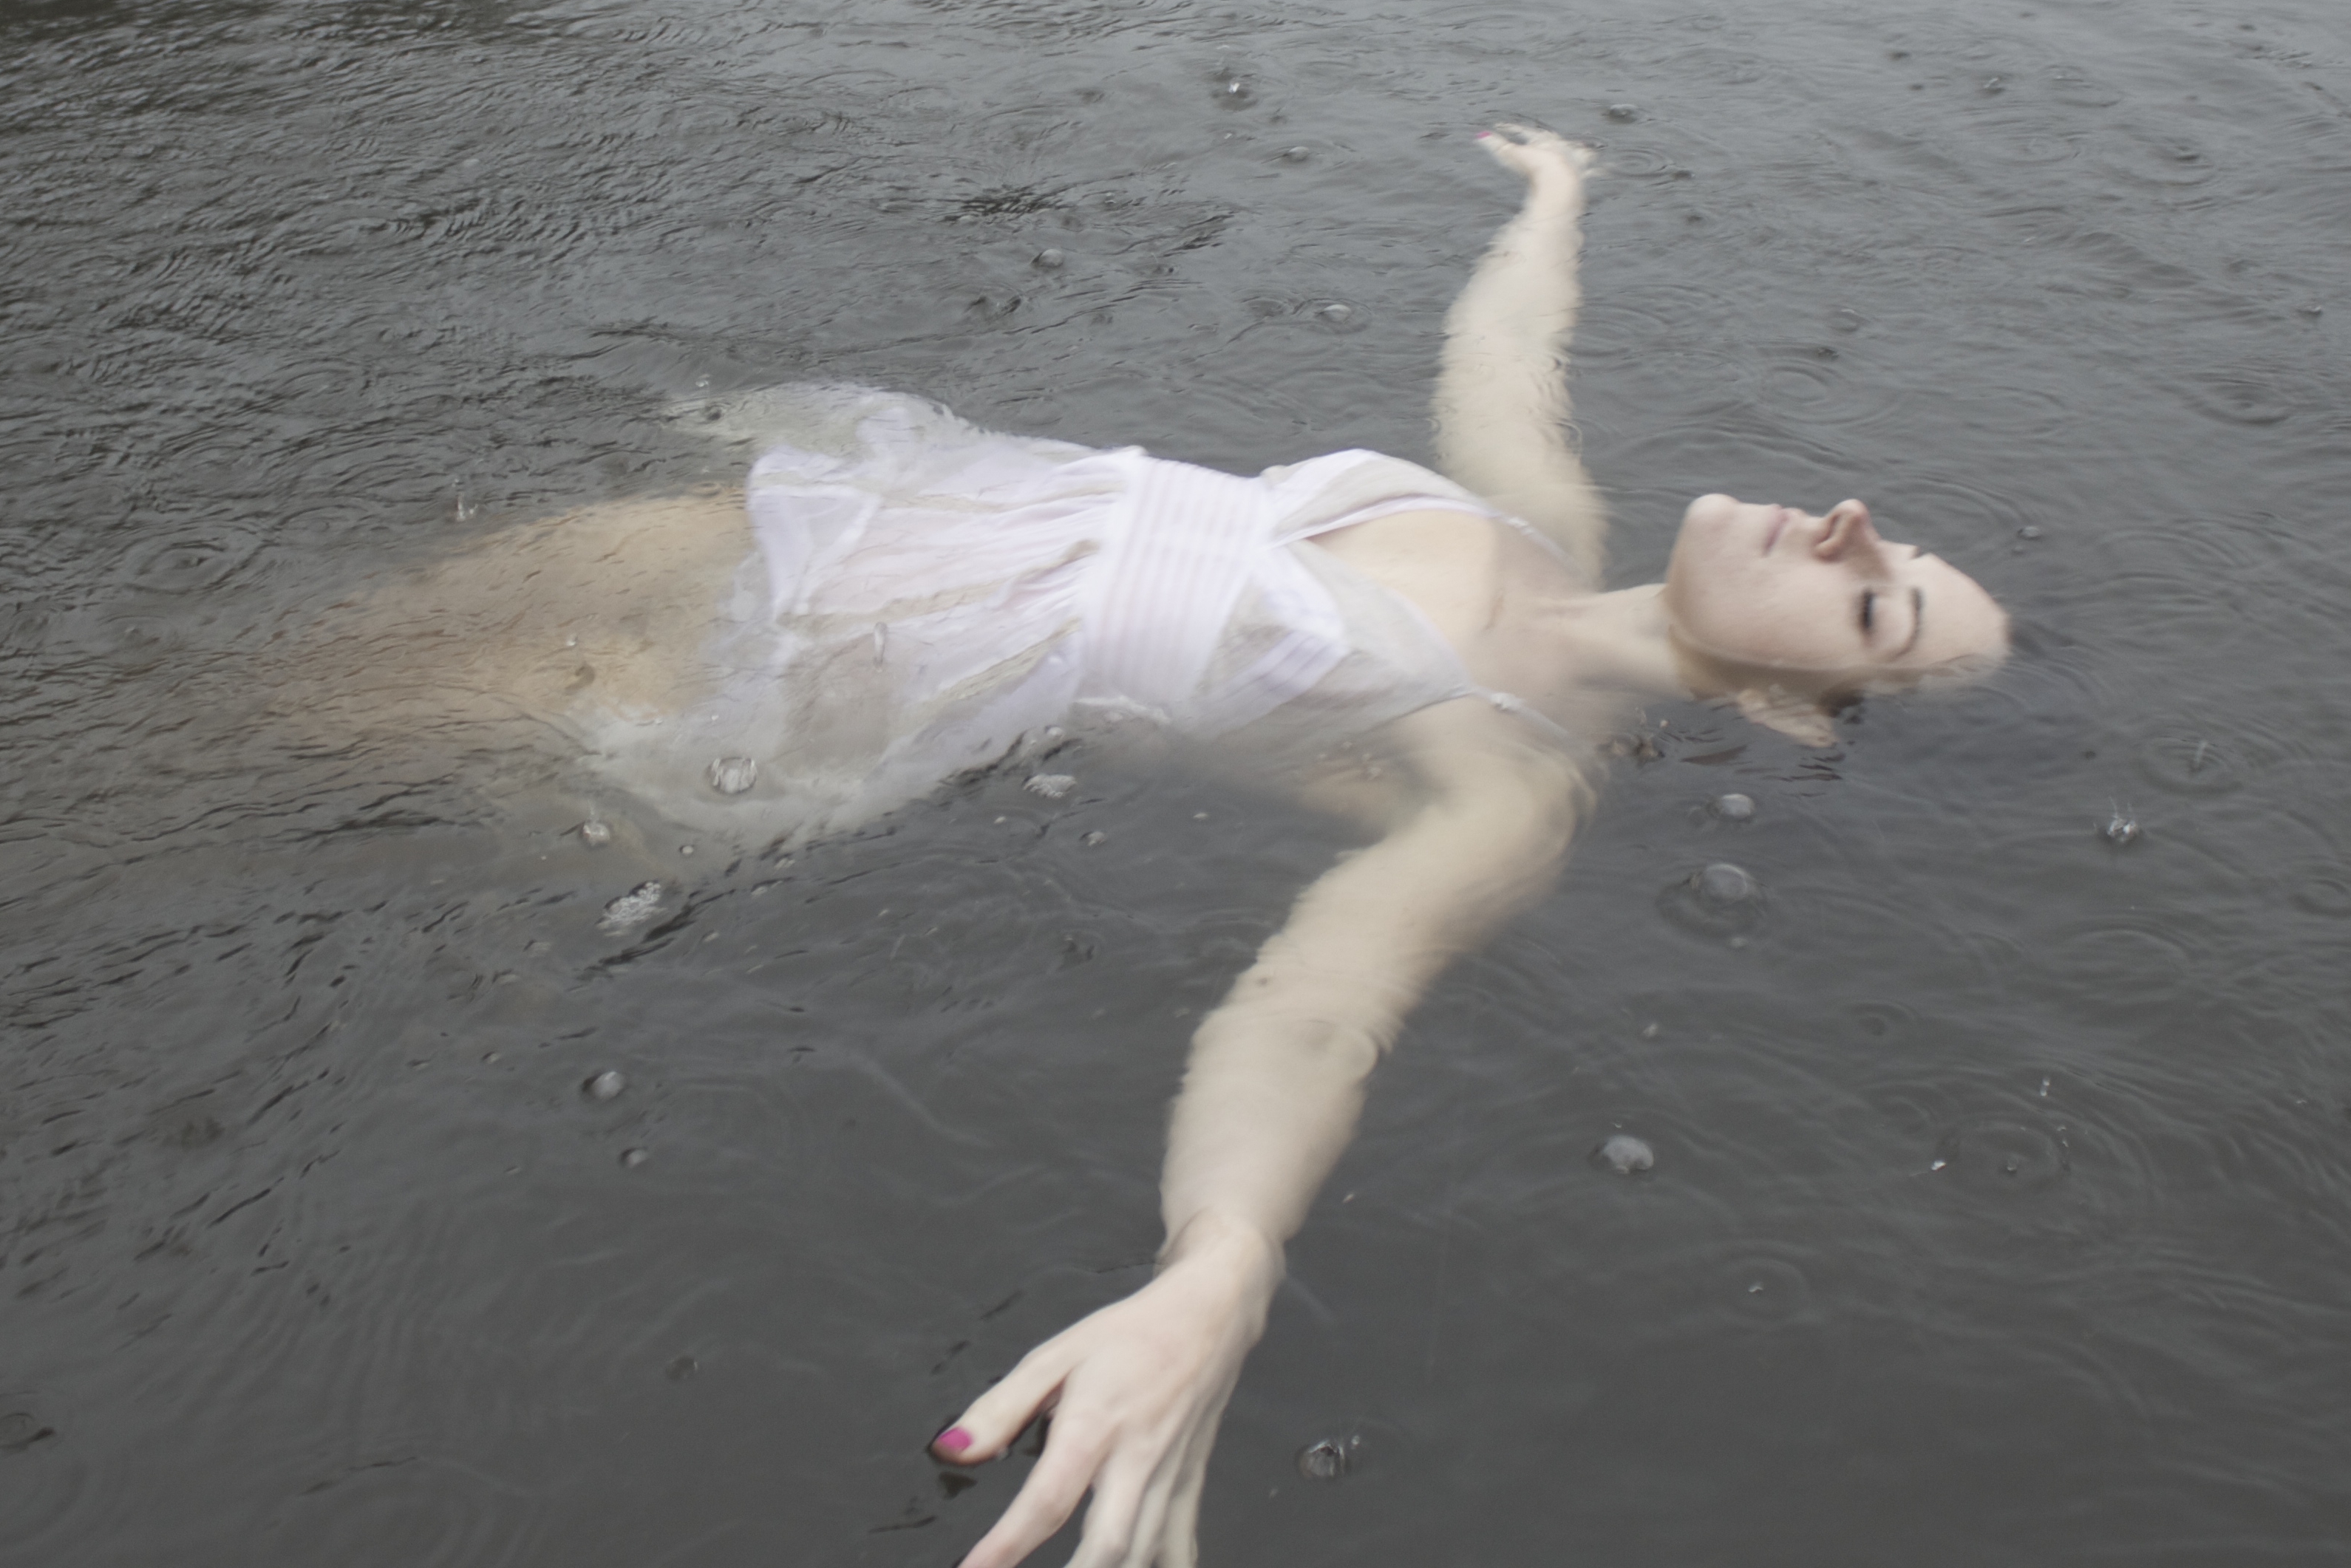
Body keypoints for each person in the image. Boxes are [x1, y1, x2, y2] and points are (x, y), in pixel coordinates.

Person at [317, 124, 2009, 1567]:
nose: (1852, 525)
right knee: (252, 666)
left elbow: (1319, 1011)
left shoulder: (1509, 780)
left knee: (255, 743)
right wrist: (1557, 197)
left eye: (1877, 604)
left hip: (759, 694)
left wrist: (1224, 1262)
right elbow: (1505, 359)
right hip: (786, 526)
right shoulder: (1541, 527)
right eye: (1893, 539)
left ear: (1794, 715)